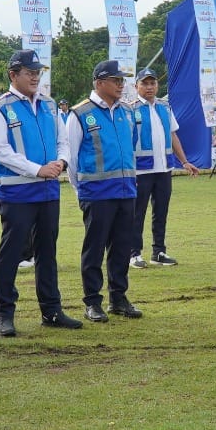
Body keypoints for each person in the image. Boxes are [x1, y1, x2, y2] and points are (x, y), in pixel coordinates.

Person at [0, 49, 79, 336]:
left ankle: (51, 310)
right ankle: (5, 313)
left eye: (38, 72)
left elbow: (62, 140)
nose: (35, 77)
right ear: (13, 75)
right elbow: (0, 150)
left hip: (48, 192)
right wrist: (36, 169)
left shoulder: (50, 105)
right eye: (30, 72)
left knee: (47, 253)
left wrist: (61, 161)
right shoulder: (0, 107)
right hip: (17, 194)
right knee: (11, 253)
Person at [65, 59, 141, 322]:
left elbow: (130, 146)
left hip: (125, 191)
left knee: (122, 248)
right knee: (94, 249)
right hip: (96, 194)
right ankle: (92, 302)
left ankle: (118, 298)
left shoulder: (127, 112)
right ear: (99, 83)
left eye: (122, 80)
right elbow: (71, 159)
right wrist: (80, 191)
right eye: (116, 80)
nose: (121, 85)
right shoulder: (80, 114)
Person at [129, 68, 199, 269]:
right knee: (137, 213)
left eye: (153, 83)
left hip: (164, 169)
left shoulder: (165, 107)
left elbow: (174, 135)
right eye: (145, 83)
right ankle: (134, 253)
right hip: (140, 171)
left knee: (161, 212)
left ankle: (158, 251)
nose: (150, 87)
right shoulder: (130, 109)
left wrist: (184, 161)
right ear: (136, 86)